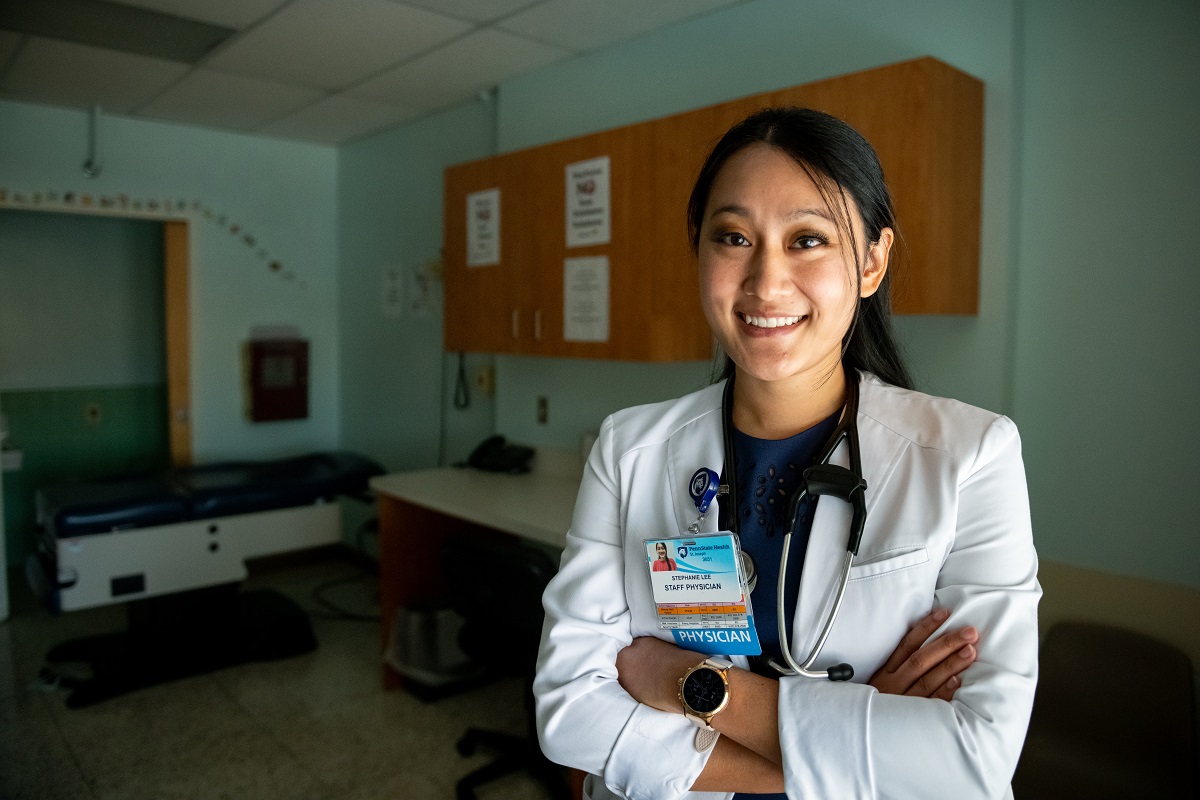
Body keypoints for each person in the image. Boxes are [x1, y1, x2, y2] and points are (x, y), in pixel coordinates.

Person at [533, 106, 1040, 799]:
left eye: (807, 239)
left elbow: (974, 758)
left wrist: (687, 685)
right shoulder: (629, 448)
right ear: (700, 251)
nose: (766, 282)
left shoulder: (968, 457)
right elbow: (569, 714)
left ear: (870, 262)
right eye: (734, 237)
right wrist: (854, 737)